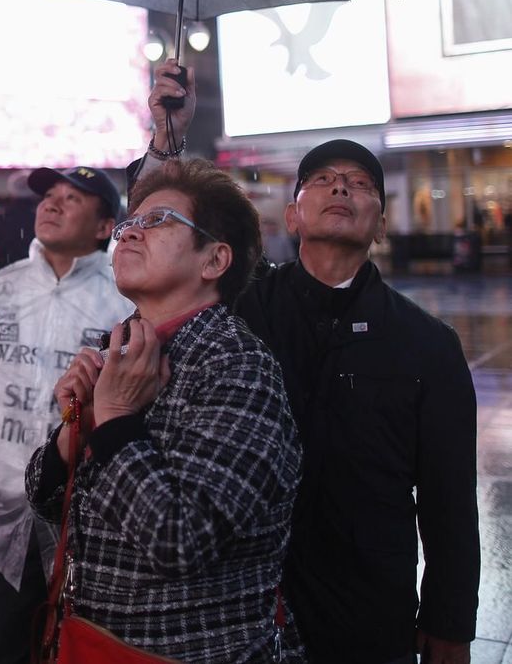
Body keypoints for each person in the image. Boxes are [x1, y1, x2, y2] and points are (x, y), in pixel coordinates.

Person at [130, 59, 480, 664]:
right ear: (291, 217)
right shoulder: (237, 308)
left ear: (380, 221)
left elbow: (450, 498)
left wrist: (450, 619)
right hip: (242, 607)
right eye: (321, 179)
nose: (341, 186)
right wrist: (167, 141)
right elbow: (165, 252)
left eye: (361, 182)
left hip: (369, 615)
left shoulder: (429, 344)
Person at [26, 158, 302, 663]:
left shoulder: (238, 368)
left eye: (158, 222)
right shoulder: (122, 345)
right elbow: (54, 505)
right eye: (131, 223)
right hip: (92, 640)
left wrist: (114, 421)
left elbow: (180, 541)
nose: (130, 233)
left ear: (214, 261)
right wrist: (75, 434)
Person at [0, 164, 133, 664]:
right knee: (5, 639)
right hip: (10, 499)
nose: (51, 204)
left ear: (103, 227)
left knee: (83, 642)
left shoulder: (122, 297)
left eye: (71, 199)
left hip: (90, 509)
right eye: (48, 195)